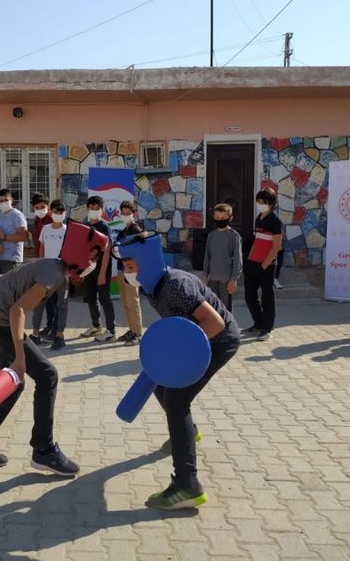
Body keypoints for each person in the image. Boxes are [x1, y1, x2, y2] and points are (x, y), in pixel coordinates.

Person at [0, 221, 108, 475]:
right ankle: (44, 451)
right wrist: (19, 358)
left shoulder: (49, 264)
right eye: (93, 255)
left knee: (12, 384)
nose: (93, 262)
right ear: (80, 251)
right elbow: (17, 310)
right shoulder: (53, 274)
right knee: (48, 375)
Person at [117, 231, 240, 510]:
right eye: (123, 264)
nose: (126, 270)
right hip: (197, 338)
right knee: (163, 386)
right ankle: (187, 432)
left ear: (146, 260)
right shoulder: (152, 284)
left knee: (176, 398)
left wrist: (177, 355)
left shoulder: (175, 285)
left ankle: (187, 485)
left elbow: (215, 324)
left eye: (129, 263)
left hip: (219, 341)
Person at [243, 188, 282, 341]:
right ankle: (258, 323)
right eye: (258, 202)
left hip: (266, 265)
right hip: (252, 263)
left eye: (263, 202)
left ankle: (267, 328)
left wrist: (265, 264)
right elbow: (256, 240)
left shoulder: (275, 221)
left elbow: (276, 246)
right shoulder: (258, 218)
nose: (260, 205)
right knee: (250, 296)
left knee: (267, 297)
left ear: (271, 204)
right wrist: (249, 259)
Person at [30, 199, 68, 349]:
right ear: (51, 212)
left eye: (61, 212)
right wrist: (40, 264)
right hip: (46, 270)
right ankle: (35, 334)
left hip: (62, 269)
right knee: (39, 302)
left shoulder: (68, 230)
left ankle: (59, 336)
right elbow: (42, 248)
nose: (58, 214)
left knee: (62, 304)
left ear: (64, 213)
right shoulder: (46, 229)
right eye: (56, 211)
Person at [80, 195, 115, 342]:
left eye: (97, 208)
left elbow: (107, 251)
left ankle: (111, 331)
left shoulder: (104, 227)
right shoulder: (85, 226)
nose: (94, 210)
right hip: (89, 269)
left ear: (102, 209)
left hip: (102, 270)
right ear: (87, 208)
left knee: (104, 298)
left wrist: (102, 273)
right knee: (91, 298)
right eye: (92, 208)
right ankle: (96, 326)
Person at [202, 203, 243, 311]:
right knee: (212, 308)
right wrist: (205, 276)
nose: (220, 220)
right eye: (217, 218)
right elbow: (207, 256)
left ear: (230, 218)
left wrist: (234, 279)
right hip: (212, 279)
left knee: (225, 309)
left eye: (224, 218)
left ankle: (227, 328)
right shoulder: (211, 235)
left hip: (226, 279)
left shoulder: (234, 236)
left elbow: (238, 259)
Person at [115, 200, 144, 346]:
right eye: (124, 213)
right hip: (121, 269)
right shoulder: (123, 231)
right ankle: (131, 330)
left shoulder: (136, 230)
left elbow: (141, 249)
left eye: (128, 213)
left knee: (133, 301)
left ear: (134, 214)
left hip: (132, 270)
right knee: (125, 302)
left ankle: (138, 333)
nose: (126, 216)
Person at [31, 192, 56, 337]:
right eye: (37, 207)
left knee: (52, 298)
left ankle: (54, 327)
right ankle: (49, 325)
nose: (40, 209)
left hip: (50, 264)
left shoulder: (52, 220)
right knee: (44, 298)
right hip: (39, 263)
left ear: (48, 207)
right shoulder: (36, 220)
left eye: (43, 207)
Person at [0, 189, 28, 275]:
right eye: (0, 201)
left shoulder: (17, 215)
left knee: (11, 287)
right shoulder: (0, 216)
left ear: (11, 200)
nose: (3, 203)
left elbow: (24, 236)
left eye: (6, 200)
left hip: (12, 260)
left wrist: (4, 237)